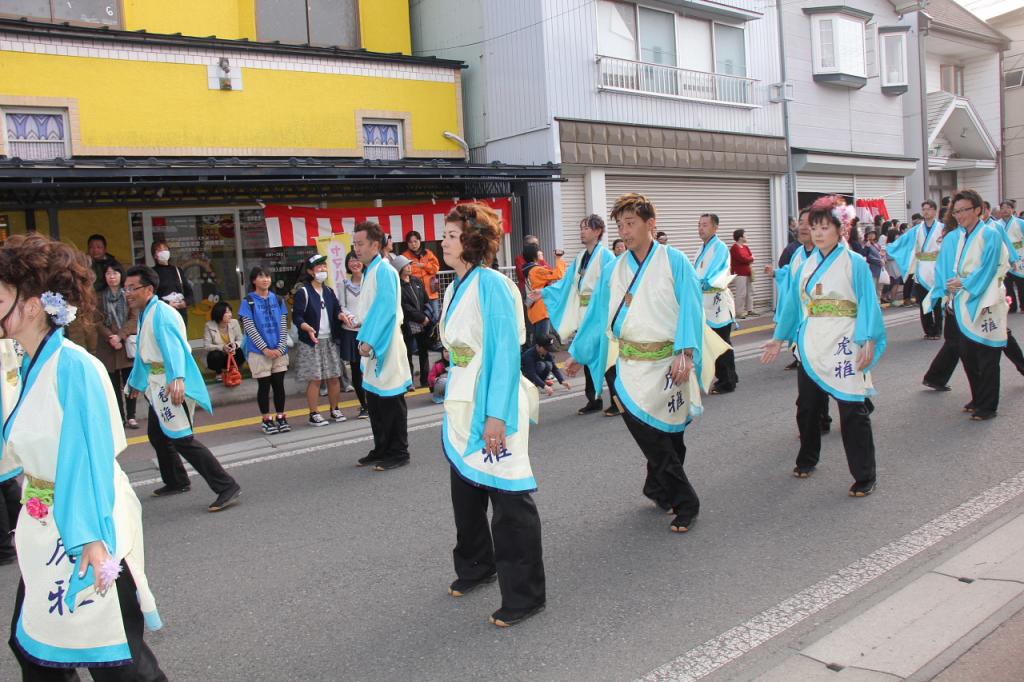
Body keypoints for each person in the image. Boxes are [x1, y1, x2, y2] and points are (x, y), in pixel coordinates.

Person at [0, 234, 165, 677]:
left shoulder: (74, 366)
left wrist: (90, 539)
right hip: (50, 525)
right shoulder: (27, 361)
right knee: (38, 649)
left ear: (32, 306)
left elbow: (90, 458)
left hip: (86, 527)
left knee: (116, 659)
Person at [567, 193, 726, 534]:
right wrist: (579, 353)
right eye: (620, 225)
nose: (624, 231)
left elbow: (691, 308)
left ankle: (657, 488)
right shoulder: (614, 268)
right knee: (651, 437)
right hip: (628, 367)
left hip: (669, 362)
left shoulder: (675, 260)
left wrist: (686, 352)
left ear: (650, 224)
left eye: (631, 223)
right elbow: (597, 315)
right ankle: (686, 501)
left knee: (672, 433)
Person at [438, 202, 546, 628]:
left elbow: (504, 355)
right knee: (465, 491)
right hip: (464, 400)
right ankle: (476, 564)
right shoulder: (454, 287)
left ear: (473, 240)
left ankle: (525, 594)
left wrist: (496, 416)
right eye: (445, 235)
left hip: (493, 400)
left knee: (509, 500)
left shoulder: (495, 285)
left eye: (451, 235)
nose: (444, 242)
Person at [761, 195, 886, 497]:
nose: (817, 233)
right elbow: (792, 304)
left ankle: (865, 475)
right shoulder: (803, 263)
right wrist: (779, 338)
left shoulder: (855, 262)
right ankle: (808, 457)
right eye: (813, 227)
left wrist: (868, 339)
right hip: (812, 342)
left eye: (824, 227)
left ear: (841, 229)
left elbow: (868, 303)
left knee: (852, 410)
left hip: (845, 341)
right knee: (808, 406)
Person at [125, 264, 241, 512]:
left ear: (148, 289)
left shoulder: (162, 314)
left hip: (170, 383)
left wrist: (177, 379)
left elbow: (175, 349)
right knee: (158, 435)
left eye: (132, 288)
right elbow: (144, 354)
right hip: (158, 382)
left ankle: (226, 485)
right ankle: (176, 480)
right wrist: (136, 382)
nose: (128, 293)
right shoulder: (147, 312)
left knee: (182, 439)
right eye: (126, 288)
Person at [921, 190, 1011, 419]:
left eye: (964, 210)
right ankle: (978, 397)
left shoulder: (989, 234)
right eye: (956, 211)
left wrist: (965, 283)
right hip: (960, 300)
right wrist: (945, 289)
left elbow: (989, 267)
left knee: (987, 355)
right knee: (967, 353)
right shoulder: (958, 236)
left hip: (985, 300)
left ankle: (987, 406)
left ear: (978, 210)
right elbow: (947, 267)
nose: (959, 215)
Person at [538, 214, 615, 416]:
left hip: (599, 314)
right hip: (584, 314)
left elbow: (613, 286)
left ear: (598, 231)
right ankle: (594, 399)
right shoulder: (581, 257)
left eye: (586, 228)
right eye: (581, 228)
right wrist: (544, 292)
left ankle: (617, 400)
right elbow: (566, 283)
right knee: (585, 355)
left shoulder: (606, 257)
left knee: (606, 356)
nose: (582, 232)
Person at [353, 221, 413, 471]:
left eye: (360, 244)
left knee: (390, 399)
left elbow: (386, 310)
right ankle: (382, 448)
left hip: (385, 342)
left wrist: (369, 340)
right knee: (376, 400)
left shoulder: (384, 270)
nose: (356, 249)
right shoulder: (373, 270)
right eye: (355, 244)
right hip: (375, 340)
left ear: (375, 245)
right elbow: (374, 308)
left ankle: (398, 451)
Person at [292, 254, 347, 427]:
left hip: (330, 339)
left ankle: (335, 409)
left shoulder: (329, 291)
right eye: (318, 267)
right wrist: (306, 327)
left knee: (334, 376)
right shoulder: (303, 292)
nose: (323, 269)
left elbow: (337, 310)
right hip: (312, 341)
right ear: (310, 271)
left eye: (324, 266)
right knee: (315, 378)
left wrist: (341, 316)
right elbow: (297, 316)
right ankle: (314, 413)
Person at [239, 266, 291, 435]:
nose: (265, 279)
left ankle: (281, 416)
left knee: (279, 385)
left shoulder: (278, 299)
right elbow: (249, 328)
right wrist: (265, 349)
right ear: (254, 280)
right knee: (264, 386)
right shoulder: (248, 301)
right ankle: (266, 419)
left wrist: (280, 347)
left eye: (267, 276)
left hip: (279, 350)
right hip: (258, 352)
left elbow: (283, 324)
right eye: (261, 277)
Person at [887, 200, 945, 339]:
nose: (926, 212)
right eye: (924, 209)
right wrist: (889, 247)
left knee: (936, 300)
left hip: (937, 268)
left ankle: (937, 330)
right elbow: (903, 242)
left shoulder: (942, 228)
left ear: (934, 211)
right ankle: (928, 330)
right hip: (921, 268)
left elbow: (950, 245)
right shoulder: (917, 229)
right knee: (923, 301)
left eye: (928, 209)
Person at [694, 213, 738, 394]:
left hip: (717, 301)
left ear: (715, 227)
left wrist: (704, 282)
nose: (701, 228)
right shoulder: (702, 248)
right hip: (706, 302)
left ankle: (727, 381)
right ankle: (729, 376)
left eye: (705, 225)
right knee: (713, 342)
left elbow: (717, 271)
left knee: (721, 342)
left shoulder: (719, 247)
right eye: (699, 225)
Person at [95, 262, 139, 429]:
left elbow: (134, 318)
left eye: (115, 273)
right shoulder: (99, 297)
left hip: (125, 344)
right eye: (108, 273)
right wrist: (111, 337)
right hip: (107, 346)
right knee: (113, 385)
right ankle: (119, 417)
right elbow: (97, 321)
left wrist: (120, 336)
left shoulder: (129, 295)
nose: (112, 277)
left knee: (130, 382)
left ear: (121, 275)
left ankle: (132, 416)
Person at [339, 250, 368, 419]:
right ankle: (364, 405)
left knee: (371, 367)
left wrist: (363, 321)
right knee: (356, 370)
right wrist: (352, 319)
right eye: (351, 260)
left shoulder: (369, 281)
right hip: (351, 331)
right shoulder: (344, 284)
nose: (355, 263)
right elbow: (342, 306)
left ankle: (375, 402)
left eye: (357, 259)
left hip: (369, 330)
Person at [396, 254, 431, 388]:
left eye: (409, 264)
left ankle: (425, 379)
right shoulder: (398, 285)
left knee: (424, 351)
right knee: (408, 352)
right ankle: (409, 381)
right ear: (399, 268)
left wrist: (427, 315)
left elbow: (425, 300)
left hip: (422, 322)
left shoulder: (416, 281)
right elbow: (404, 306)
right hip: (408, 323)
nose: (409, 267)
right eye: (406, 265)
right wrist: (421, 318)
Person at [522, 242, 566, 343]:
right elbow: (558, 275)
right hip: (541, 308)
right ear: (534, 255)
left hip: (533, 309)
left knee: (538, 343)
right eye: (539, 251)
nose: (541, 252)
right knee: (543, 342)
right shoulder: (537, 270)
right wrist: (559, 258)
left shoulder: (528, 270)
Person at [149, 238, 192, 326]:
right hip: (163, 313)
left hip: (180, 313)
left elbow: (189, 292)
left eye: (165, 249)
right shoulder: (151, 273)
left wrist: (185, 302)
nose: (163, 252)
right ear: (154, 255)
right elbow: (150, 295)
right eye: (159, 250)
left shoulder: (177, 270)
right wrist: (167, 303)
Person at [403, 230, 442, 323]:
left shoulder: (428, 253)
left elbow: (435, 268)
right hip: (416, 294)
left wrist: (424, 266)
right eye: (410, 242)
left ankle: (434, 331)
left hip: (431, 292)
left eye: (415, 241)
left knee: (436, 317)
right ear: (407, 243)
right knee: (422, 320)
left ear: (420, 241)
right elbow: (405, 273)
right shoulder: (405, 256)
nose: (413, 244)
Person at [203, 301, 245, 379]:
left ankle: (235, 370)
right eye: (227, 312)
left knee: (239, 350)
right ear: (219, 314)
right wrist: (222, 347)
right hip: (220, 356)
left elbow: (241, 339)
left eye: (230, 312)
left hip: (232, 353)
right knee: (215, 354)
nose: (230, 315)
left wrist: (235, 345)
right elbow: (207, 346)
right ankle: (219, 372)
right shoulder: (209, 325)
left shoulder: (234, 322)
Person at [996, 200, 1024, 314]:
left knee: (1021, 283)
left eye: (1008, 207)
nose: (1005, 210)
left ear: (1013, 209)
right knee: (1007, 284)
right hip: (1004, 257)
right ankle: (1011, 306)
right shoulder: (996, 224)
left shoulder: (1020, 223)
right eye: (1003, 208)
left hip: (1020, 256)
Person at [730, 228, 755, 318]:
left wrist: (749, 258)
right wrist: (749, 258)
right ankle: (739, 312)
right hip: (739, 274)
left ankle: (749, 310)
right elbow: (743, 259)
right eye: (745, 235)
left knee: (749, 292)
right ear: (740, 237)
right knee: (741, 293)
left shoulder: (745, 247)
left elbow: (751, 257)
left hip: (748, 273)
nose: (746, 237)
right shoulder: (734, 248)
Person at [863, 230, 884, 298]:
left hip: (880, 268)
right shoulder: (866, 244)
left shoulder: (877, 244)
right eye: (870, 234)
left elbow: (882, 254)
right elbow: (865, 256)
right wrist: (866, 247)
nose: (872, 235)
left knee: (879, 287)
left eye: (873, 234)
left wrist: (883, 258)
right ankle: (873, 301)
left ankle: (878, 301)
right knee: (873, 287)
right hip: (872, 268)